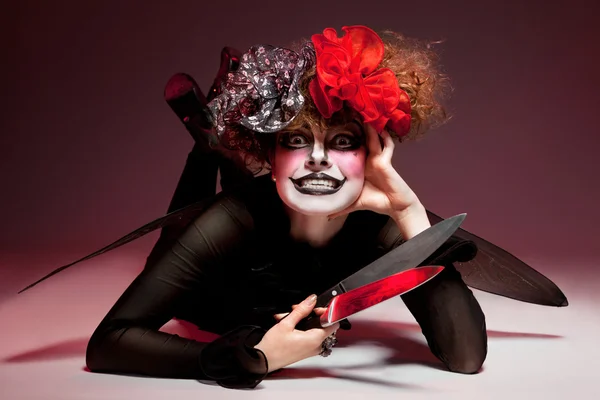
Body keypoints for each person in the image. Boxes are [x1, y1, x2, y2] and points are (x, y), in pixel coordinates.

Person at [20, 25, 566, 390]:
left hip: (284, 249)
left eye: (345, 142)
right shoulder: (227, 223)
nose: (319, 161)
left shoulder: (379, 224)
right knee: (205, 198)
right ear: (270, 152)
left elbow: (467, 356)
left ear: (373, 152)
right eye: (296, 140)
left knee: (270, 184)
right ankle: (206, 139)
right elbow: (110, 343)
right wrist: (250, 360)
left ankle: (215, 133)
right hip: (216, 303)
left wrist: (407, 210)